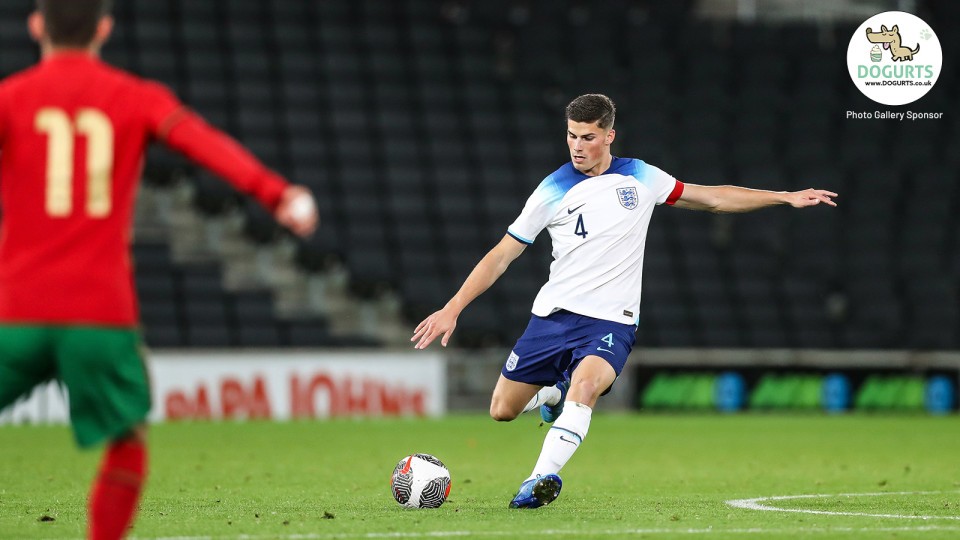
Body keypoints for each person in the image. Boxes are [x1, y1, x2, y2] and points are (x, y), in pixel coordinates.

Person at [411, 93, 836, 509]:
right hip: (553, 318)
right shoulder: (552, 190)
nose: (578, 146)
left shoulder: (640, 177)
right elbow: (502, 254)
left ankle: (537, 479)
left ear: (610, 136)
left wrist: (783, 196)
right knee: (502, 410)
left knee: (587, 386)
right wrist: (453, 308)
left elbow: (713, 198)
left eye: (588, 137)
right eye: (572, 136)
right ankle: (552, 398)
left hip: (611, 321)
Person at [0, 1, 318, 538]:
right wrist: (277, 193)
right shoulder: (136, 97)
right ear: (105, 28)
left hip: (16, 309)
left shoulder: (9, 99)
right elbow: (206, 145)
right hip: (100, 312)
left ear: (36, 26)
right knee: (127, 443)